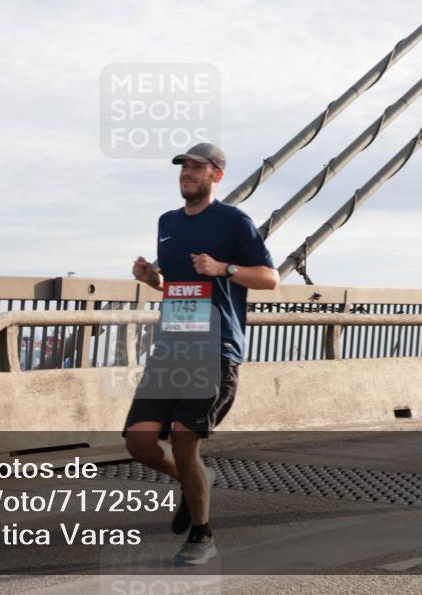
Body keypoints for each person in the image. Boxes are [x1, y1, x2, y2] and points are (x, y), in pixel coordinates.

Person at [125, 142, 279, 566]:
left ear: (217, 176)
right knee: (139, 442)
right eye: (183, 167)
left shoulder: (233, 222)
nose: (186, 173)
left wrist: (223, 269)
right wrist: (151, 278)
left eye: (196, 167)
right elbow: (175, 285)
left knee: (182, 437)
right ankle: (197, 481)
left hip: (215, 349)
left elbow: (270, 278)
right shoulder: (168, 222)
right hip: (171, 347)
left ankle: (202, 534)